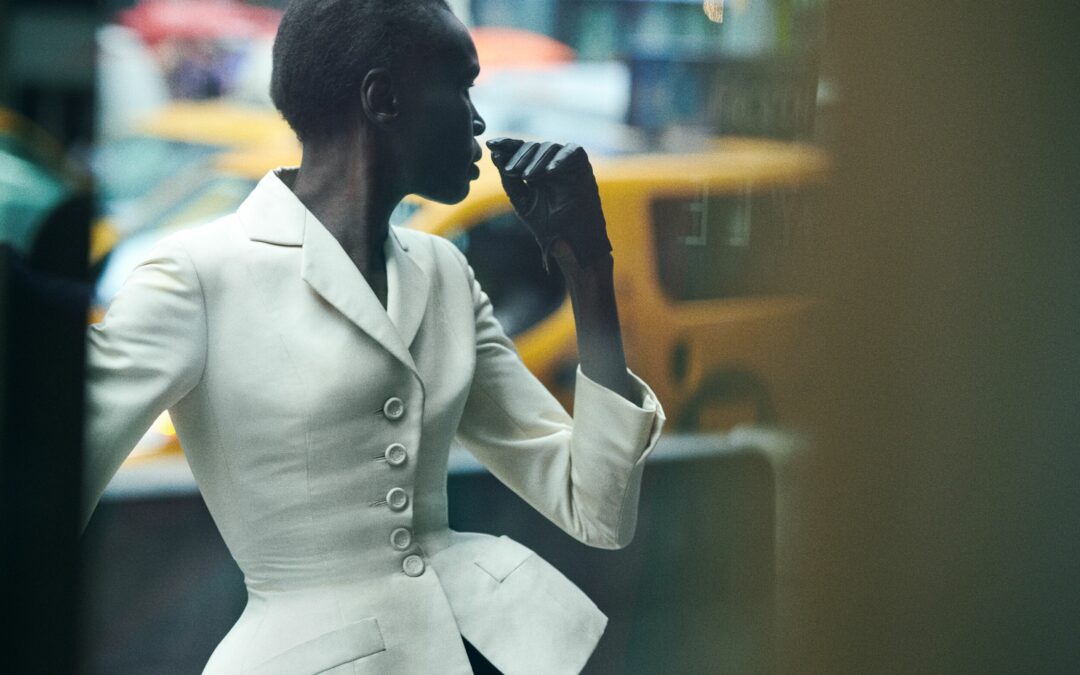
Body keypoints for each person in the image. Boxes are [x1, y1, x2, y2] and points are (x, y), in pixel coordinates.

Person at [82, 1, 665, 673]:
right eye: (461, 84)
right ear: (383, 97)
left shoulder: (444, 271)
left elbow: (597, 507)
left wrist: (588, 269)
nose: (478, 120)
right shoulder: (198, 277)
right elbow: (42, 473)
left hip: (469, 648)